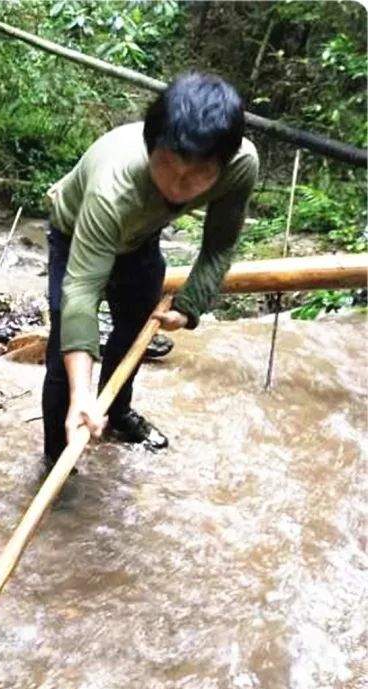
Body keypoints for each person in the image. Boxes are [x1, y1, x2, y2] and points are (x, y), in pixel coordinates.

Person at [42, 72, 258, 466]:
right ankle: (60, 451)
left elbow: (220, 244)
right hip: (76, 231)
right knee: (65, 344)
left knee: (136, 324)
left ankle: (117, 412)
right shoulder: (114, 185)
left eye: (197, 175)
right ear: (150, 145)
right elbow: (82, 294)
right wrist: (82, 394)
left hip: (140, 237)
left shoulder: (240, 165)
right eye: (168, 166)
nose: (178, 186)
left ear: (222, 166)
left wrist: (191, 303)